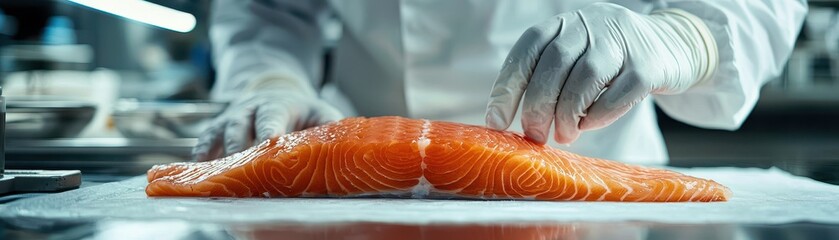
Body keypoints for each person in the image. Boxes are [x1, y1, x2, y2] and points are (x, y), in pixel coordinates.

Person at [194, 0, 807, 165]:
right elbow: (267, 10)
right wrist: (269, 75)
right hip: (362, 174)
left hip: (592, 158)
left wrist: (688, 38)